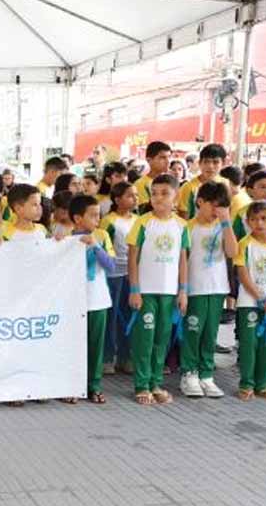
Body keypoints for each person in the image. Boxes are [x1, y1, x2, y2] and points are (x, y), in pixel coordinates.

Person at [126, 173, 189, 406]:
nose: (158, 198)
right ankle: (141, 384)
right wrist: (134, 289)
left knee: (162, 338)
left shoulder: (182, 225)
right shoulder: (142, 222)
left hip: (169, 293)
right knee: (145, 338)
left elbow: (183, 260)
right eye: (154, 193)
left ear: (176, 196)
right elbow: (133, 258)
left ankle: (155, 383)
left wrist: (183, 291)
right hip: (146, 292)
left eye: (165, 193)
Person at [179, 182, 238, 398]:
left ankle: (206, 375)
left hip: (218, 288)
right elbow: (183, 260)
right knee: (193, 331)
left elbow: (232, 252)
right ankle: (189, 373)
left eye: (221, 207)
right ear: (199, 202)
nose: (216, 211)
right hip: (195, 289)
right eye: (213, 206)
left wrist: (226, 222)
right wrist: (183, 290)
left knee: (210, 333)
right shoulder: (188, 226)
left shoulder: (223, 226)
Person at [66, 195, 116, 403]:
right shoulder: (66, 238)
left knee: (96, 346)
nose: (98, 219)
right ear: (78, 218)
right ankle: (72, 386)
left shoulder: (102, 236)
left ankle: (94, 385)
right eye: (93, 215)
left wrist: (95, 246)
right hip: (72, 302)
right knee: (74, 345)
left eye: (99, 215)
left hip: (97, 300)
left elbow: (111, 267)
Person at [234, 201, 266, 400]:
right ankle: (246, 384)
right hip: (250, 303)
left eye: (264, 218)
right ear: (247, 222)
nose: (259, 223)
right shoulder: (244, 244)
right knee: (249, 344)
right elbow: (243, 274)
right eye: (254, 219)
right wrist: (260, 297)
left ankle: (262, 384)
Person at [100, 182, 139, 376]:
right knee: (112, 318)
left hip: (132, 274)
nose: (135, 198)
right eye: (130, 195)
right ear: (117, 200)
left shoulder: (138, 220)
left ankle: (127, 357)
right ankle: (108, 358)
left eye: (136, 195)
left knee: (130, 317)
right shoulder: (109, 221)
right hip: (113, 275)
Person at [178, 144, 228, 219]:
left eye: (215, 162)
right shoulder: (188, 187)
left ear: (223, 163)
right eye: (206, 162)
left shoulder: (226, 184)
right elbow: (183, 218)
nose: (210, 166)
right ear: (200, 163)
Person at [133, 142, 171, 210]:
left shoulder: (172, 181)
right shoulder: (140, 184)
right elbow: (144, 211)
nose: (168, 161)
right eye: (163, 157)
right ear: (149, 160)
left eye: (169, 157)